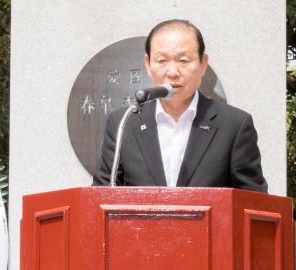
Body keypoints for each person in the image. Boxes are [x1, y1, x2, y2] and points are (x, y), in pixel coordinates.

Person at [93, 18, 268, 190]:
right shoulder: (123, 122)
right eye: (162, 61)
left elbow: (253, 202)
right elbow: (101, 195)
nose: (173, 72)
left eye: (183, 61)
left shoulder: (234, 125)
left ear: (203, 63)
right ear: (148, 64)